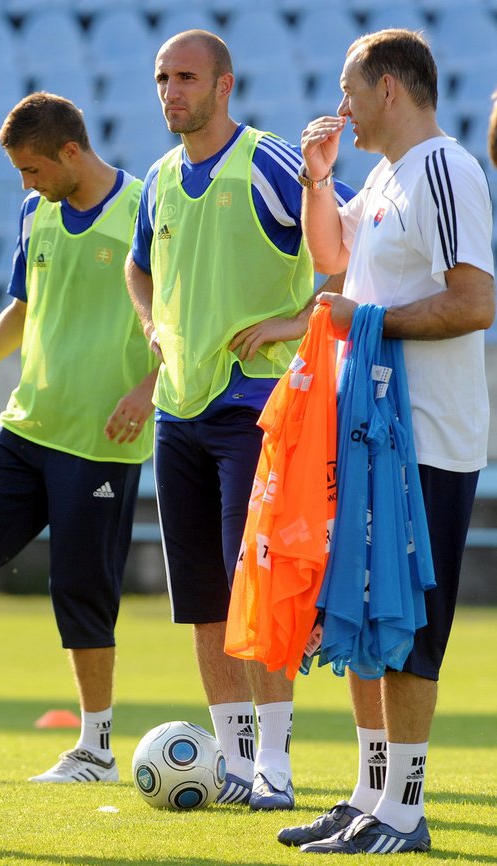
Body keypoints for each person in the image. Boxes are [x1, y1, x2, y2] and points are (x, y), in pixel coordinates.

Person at [124, 29, 354, 810]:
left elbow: (347, 245)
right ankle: (232, 762)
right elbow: (137, 264)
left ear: (225, 85)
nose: (170, 91)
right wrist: (152, 323)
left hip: (254, 408)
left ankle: (277, 769)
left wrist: (292, 325)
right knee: (202, 598)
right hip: (177, 410)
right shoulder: (156, 178)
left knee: (260, 589)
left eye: (185, 76)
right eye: (161, 78)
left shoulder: (266, 161)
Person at [0, 91, 157, 783]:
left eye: (34, 169)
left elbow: (183, 317)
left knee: (80, 590)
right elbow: (22, 308)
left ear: (72, 152)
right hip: (27, 426)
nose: (26, 184)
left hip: (102, 438)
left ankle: (96, 749)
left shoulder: (144, 213)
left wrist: (150, 389)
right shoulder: (34, 211)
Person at [281, 29, 494, 854]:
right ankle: (371, 796)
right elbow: (333, 256)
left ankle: (405, 809)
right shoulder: (383, 175)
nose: (342, 105)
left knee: (409, 632)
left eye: (351, 89)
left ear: (391, 89)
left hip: (427, 440)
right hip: (373, 436)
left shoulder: (443, 168)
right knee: (365, 622)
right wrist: (318, 181)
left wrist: (365, 321)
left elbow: (475, 302)